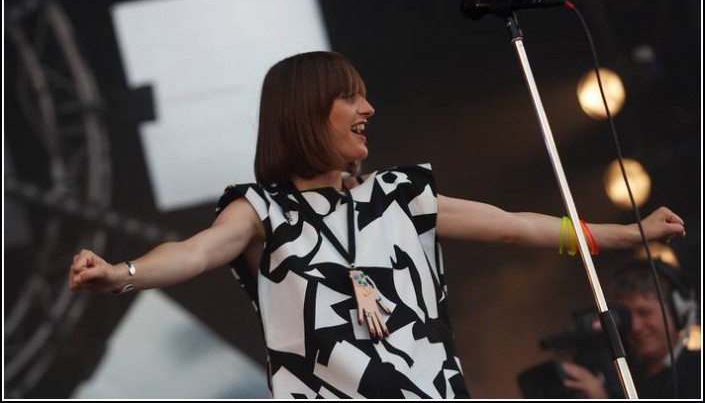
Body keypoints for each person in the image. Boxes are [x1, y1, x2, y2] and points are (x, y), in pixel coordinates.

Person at [69, 51, 687, 399]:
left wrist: (629, 234)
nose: (368, 109)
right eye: (351, 98)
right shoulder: (263, 210)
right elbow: (196, 252)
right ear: (308, 112)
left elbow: (518, 227)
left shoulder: (401, 196)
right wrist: (122, 274)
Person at [560, 259, 700, 399]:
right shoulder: (622, 377)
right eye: (625, 317)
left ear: (678, 311)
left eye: (644, 312)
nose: (635, 326)